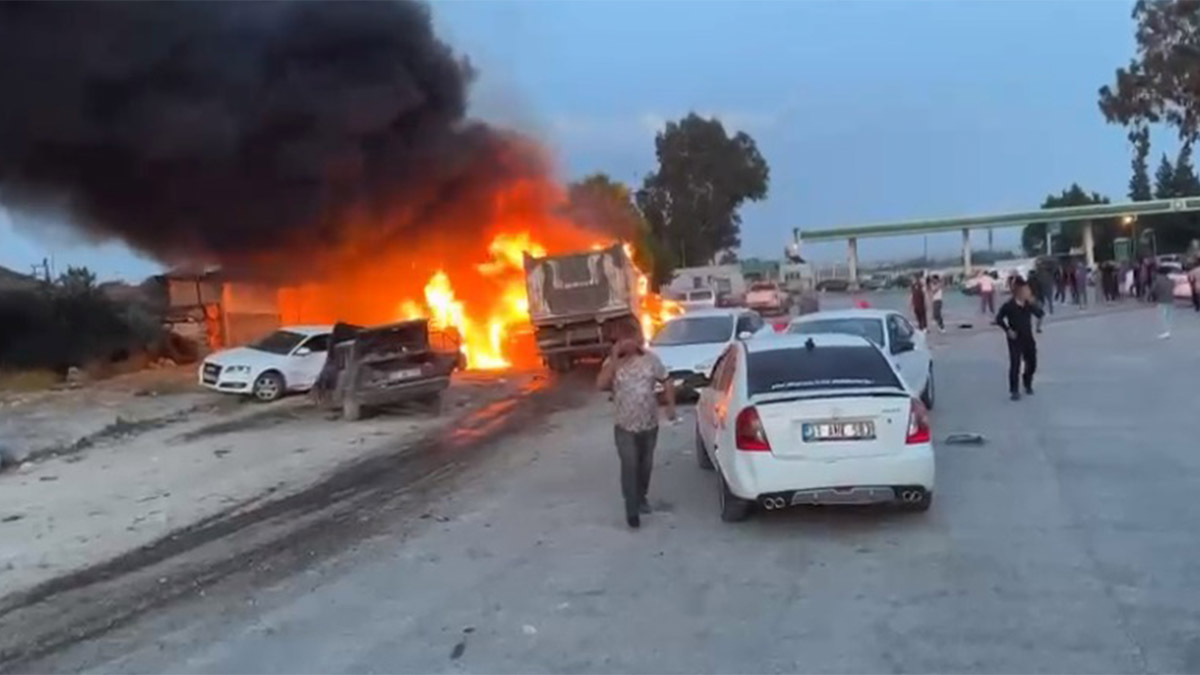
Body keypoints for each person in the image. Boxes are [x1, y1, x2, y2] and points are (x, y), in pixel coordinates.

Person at [596, 323, 676, 528]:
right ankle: (632, 510)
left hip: (649, 423)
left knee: (645, 464)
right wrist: (614, 358)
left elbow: (666, 380)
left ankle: (641, 498)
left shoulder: (650, 360)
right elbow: (600, 384)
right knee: (629, 465)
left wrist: (670, 405)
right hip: (624, 426)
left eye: (632, 338)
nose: (629, 342)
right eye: (624, 339)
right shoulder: (613, 363)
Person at [995, 278, 1044, 401]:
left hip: (1028, 337)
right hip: (1015, 338)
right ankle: (1014, 390)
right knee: (1015, 364)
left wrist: (1034, 303)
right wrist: (1007, 330)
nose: (1028, 292)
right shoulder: (1009, 305)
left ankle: (1027, 382)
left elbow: (1040, 314)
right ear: (1018, 292)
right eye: (1025, 290)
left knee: (1032, 363)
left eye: (1028, 290)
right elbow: (998, 319)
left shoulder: (1028, 304)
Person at [1153, 267, 1176, 339]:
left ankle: (1165, 332)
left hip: (1161, 300)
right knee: (1168, 316)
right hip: (1170, 299)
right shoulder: (1170, 280)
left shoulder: (1157, 280)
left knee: (1162, 317)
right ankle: (1168, 331)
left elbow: (1154, 289)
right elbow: (1173, 286)